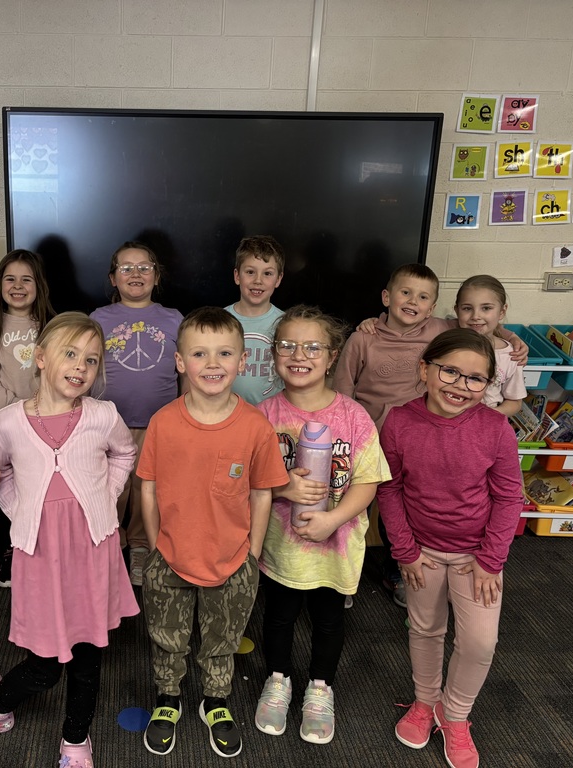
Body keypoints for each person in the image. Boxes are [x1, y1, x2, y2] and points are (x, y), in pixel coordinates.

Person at [0, 312, 138, 768]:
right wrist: (18, 507)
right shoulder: (6, 422)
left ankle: (75, 739)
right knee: (46, 664)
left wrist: (105, 496)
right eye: (70, 353)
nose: (81, 366)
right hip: (41, 552)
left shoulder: (102, 416)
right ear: (41, 358)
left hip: (92, 549)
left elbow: (125, 453)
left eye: (91, 359)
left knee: (89, 656)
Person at [138, 307, 289, 759]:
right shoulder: (164, 422)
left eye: (224, 353)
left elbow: (262, 493)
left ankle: (216, 701)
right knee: (168, 634)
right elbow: (147, 488)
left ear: (243, 361)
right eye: (199, 353)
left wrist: (253, 553)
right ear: (181, 362)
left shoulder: (255, 427)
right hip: (170, 555)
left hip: (234, 558)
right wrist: (155, 546)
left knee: (223, 637)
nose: (212, 363)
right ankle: (168, 698)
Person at [333, 264, 527, 608]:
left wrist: (513, 340)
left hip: (415, 439)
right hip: (367, 439)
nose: (413, 301)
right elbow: (343, 391)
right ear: (387, 297)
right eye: (405, 293)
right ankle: (341, 576)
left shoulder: (439, 329)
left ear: (434, 307)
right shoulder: (365, 335)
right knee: (353, 509)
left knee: (402, 506)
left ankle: (397, 571)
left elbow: (481, 325)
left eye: (423, 297)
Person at [378, 328, 524, 768]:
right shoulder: (400, 421)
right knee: (425, 629)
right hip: (420, 552)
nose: (461, 386)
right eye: (450, 372)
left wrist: (489, 560)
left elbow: (509, 497)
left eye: (475, 379)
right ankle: (425, 703)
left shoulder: (496, 428)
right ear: (426, 369)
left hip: (476, 557)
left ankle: (454, 715)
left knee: (480, 642)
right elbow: (390, 489)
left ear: (488, 385)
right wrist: (405, 552)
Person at [254, 306, 390, 745]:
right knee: (278, 617)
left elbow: (367, 482)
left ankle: (319, 687)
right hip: (280, 545)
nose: (299, 355)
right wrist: (282, 490)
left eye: (313, 347)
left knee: (329, 620)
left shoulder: (353, 416)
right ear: (274, 354)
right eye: (287, 345)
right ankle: (278, 679)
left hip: (336, 546)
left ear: (332, 357)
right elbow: (248, 484)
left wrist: (333, 517)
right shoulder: (261, 416)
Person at [90, 241, 183, 585]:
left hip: (157, 424)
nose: (135, 274)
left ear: (156, 276)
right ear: (113, 279)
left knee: (149, 488)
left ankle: (142, 545)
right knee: (111, 489)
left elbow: (185, 373)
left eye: (144, 267)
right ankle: (111, 543)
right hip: (106, 424)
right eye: (126, 268)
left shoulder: (173, 319)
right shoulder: (99, 319)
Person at [0, 249, 56, 588]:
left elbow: (62, 371)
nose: (18, 286)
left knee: (42, 486)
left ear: (39, 286)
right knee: (9, 489)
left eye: (26, 279)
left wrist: (43, 405)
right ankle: (13, 547)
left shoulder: (52, 326)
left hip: (46, 421)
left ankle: (43, 548)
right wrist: (12, 406)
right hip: (7, 424)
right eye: (10, 279)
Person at [224, 235, 286, 405]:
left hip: (272, 415)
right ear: (237, 276)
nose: (258, 281)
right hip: (225, 412)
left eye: (267, 273)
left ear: (278, 279)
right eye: (250, 272)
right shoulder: (220, 321)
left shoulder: (286, 324)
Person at [454, 275, 526, 418]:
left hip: (486, 425)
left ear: (502, 311)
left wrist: (486, 417)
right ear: (457, 310)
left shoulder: (511, 355)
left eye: (486, 308)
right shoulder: (448, 348)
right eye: (467, 308)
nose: (476, 316)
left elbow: (515, 402)